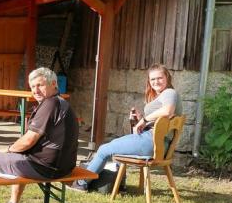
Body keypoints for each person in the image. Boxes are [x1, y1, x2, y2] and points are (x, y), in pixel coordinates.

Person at [0, 67, 78, 203]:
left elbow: (28, 140)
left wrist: (7, 150)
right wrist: (14, 150)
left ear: (54, 84)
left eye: (40, 85)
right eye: (32, 86)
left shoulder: (50, 104)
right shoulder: (62, 103)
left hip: (46, 168)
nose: (36, 90)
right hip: (65, 167)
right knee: (21, 154)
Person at [69, 63, 182, 192]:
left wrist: (144, 120)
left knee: (104, 149)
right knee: (116, 147)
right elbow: (160, 121)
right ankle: (118, 185)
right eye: (152, 79)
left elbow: (168, 111)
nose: (156, 81)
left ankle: (80, 183)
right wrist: (140, 119)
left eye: (159, 78)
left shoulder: (169, 92)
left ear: (167, 77)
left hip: (151, 142)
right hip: (156, 143)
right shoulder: (163, 95)